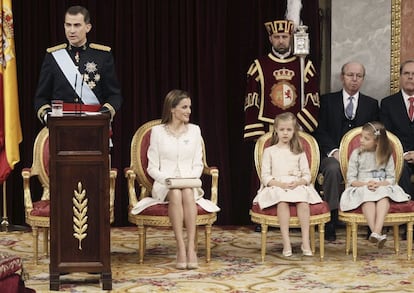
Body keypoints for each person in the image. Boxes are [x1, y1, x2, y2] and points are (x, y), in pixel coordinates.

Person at [132, 89, 220, 270]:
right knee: (176, 192)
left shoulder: (195, 131)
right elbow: (152, 167)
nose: (189, 111)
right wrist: (169, 179)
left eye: (189, 107)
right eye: (184, 107)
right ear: (172, 109)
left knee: (186, 192)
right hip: (165, 184)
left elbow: (198, 163)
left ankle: (191, 248)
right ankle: (181, 247)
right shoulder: (157, 132)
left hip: (190, 182)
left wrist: (188, 178)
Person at [313, 62, 379, 241]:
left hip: (362, 156)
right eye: (350, 75)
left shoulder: (371, 104)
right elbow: (319, 130)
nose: (354, 79)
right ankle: (331, 220)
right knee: (333, 169)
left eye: (358, 76)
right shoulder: (326, 101)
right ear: (342, 77)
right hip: (332, 155)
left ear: (363, 79)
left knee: (370, 169)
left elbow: (375, 134)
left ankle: (369, 222)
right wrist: (334, 151)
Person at [34, 5, 122, 124]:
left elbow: (114, 95)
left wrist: (104, 114)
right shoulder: (53, 56)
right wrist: (47, 116)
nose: (71, 30)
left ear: (88, 27)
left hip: (94, 125)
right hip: (60, 126)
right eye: (68, 25)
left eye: (77, 25)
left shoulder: (103, 56)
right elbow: (41, 97)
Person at [253, 112, 322, 257]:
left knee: (303, 202)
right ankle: (286, 242)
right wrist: (279, 184)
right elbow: (265, 177)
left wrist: (299, 182)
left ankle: (305, 242)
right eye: (282, 129)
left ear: (294, 131)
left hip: (295, 184)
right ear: (276, 130)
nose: (285, 133)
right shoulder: (269, 151)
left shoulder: (299, 151)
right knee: (282, 201)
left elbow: (307, 175)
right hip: (277, 186)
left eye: (289, 130)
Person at [243, 19, 320, 141]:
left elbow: (313, 100)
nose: (281, 41)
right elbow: (252, 102)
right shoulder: (259, 66)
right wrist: (258, 134)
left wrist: (300, 125)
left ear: (291, 38)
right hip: (268, 129)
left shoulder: (304, 66)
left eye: (284, 37)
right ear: (270, 39)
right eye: (276, 37)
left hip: (296, 129)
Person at [339, 122, 410, 248]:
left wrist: (379, 184)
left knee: (383, 196)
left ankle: (376, 231)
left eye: (366, 138)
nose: (361, 140)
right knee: (367, 197)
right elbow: (351, 180)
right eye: (361, 137)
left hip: (381, 186)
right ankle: (376, 233)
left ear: (377, 141)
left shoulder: (385, 154)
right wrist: (366, 184)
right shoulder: (357, 154)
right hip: (361, 186)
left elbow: (391, 179)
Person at [380, 59, 414, 197]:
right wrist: (404, 154)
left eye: (413, 73)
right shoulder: (388, 103)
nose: (410, 77)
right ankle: (407, 211)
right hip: (400, 156)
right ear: (400, 77)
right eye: (406, 73)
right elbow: (386, 135)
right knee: (401, 167)